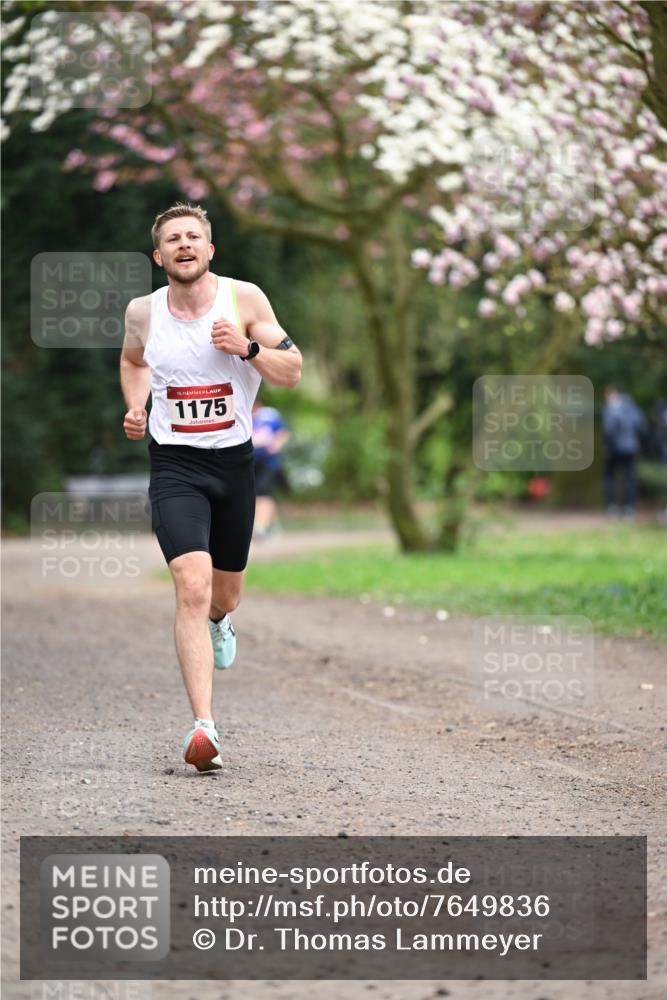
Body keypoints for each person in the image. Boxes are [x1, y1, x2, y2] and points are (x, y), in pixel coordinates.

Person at [120, 203, 301, 772]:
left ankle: (223, 622)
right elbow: (131, 361)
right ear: (159, 256)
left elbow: (292, 369)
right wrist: (135, 405)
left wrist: (247, 348)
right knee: (191, 586)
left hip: (234, 467)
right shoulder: (143, 312)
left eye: (193, 236)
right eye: (172, 239)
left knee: (223, 595)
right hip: (174, 466)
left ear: (209, 250)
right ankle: (205, 729)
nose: (183, 245)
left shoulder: (244, 300)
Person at [601, 386, 647, 519]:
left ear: (614, 394)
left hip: (615, 449)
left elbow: (609, 430)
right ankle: (629, 508)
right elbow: (642, 428)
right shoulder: (634, 409)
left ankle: (611, 506)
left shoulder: (611, 409)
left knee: (609, 477)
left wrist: (607, 446)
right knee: (630, 478)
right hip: (632, 448)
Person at [252, 399, 290, 538]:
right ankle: (272, 525)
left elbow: (283, 431)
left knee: (263, 492)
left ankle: (260, 527)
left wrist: (276, 445)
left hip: (269, 462)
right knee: (260, 495)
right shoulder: (243, 415)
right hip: (251, 463)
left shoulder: (269, 415)